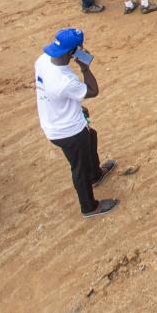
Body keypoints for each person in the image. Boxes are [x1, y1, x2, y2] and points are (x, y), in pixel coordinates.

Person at [34, 28, 118, 218]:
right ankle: (89, 207)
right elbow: (92, 91)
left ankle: (95, 175)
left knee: (91, 138)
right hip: (68, 131)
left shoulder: (42, 61)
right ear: (74, 51)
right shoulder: (65, 80)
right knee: (78, 167)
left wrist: (76, 108)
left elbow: (54, 94)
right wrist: (85, 67)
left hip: (58, 120)